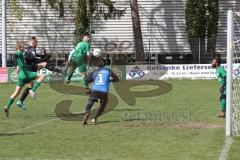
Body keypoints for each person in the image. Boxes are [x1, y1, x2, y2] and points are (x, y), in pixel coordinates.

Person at [16, 36, 62, 109]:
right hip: (30, 68)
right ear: (34, 43)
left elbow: (35, 56)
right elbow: (35, 60)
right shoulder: (32, 49)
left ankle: (20, 101)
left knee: (30, 86)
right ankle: (61, 71)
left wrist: (44, 56)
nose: (36, 45)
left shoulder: (26, 49)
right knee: (44, 65)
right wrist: (45, 58)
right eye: (36, 43)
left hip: (27, 68)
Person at [3, 41, 45, 117]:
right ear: (19, 48)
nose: (24, 48)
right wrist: (16, 65)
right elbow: (15, 56)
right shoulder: (18, 52)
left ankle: (7, 107)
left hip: (21, 76)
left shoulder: (21, 54)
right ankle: (33, 91)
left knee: (16, 93)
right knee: (42, 76)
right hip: (26, 74)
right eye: (22, 47)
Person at [83, 59, 119, 125]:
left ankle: (87, 112)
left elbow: (87, 80)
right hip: (104, 91)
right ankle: (94, 118)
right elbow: (117, 79)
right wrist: (109, 80)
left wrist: (88, 80)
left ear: (97, 66)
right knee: (103, 105)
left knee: (91, 101)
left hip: (95, 90)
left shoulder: (94, 72)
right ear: (104, 65)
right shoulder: (108, 70)